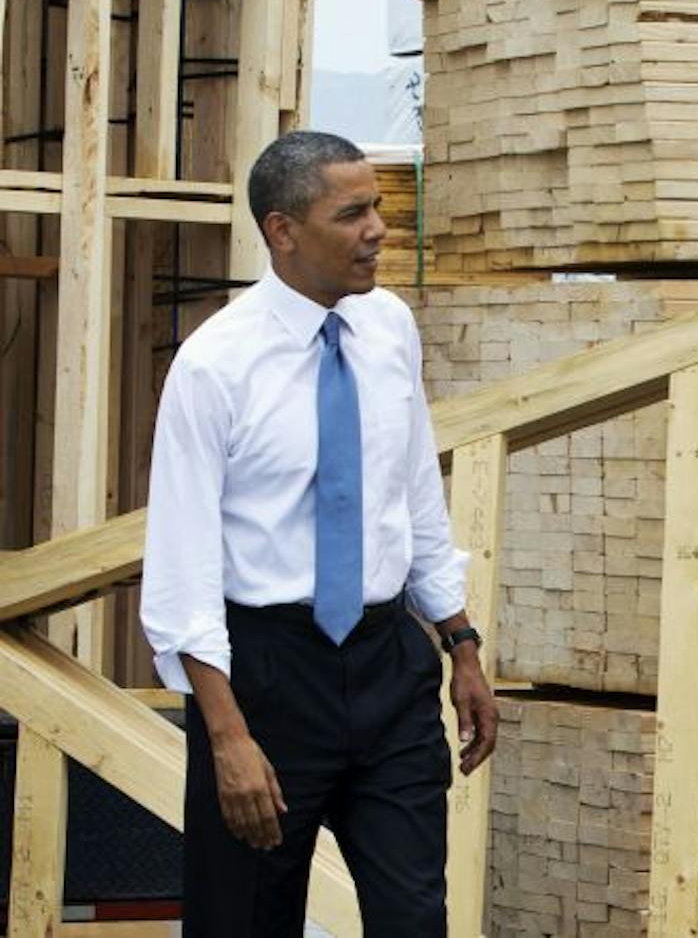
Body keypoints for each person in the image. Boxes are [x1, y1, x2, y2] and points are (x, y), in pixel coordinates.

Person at [141, 130, 497, 936]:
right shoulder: (213, 368)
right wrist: (227, 736)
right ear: (283, 230)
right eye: (353, 212)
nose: (378, 228)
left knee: (415, 918)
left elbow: (412, 492)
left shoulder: (390, 330)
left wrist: (461, 641)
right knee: (246, 919)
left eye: (376, 206)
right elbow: (182, 568)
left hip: (387, 664)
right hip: (266, 676)